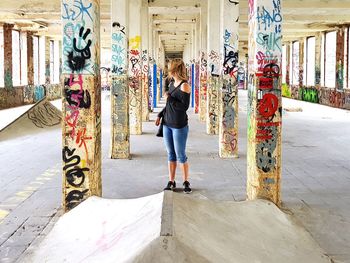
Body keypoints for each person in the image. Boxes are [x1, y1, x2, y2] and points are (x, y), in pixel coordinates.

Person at [155, 59, 192, 193]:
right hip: (167, 124)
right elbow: (168, 106)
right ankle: (171, 181)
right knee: (171, 154)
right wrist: (160, 114)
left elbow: (184, 107)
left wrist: (169, 98)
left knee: (181, 155)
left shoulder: (184, 86)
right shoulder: (171, 84)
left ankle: (186, 181)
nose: (169, 72)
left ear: (175, 70)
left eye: (170, 69)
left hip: (179, 126)